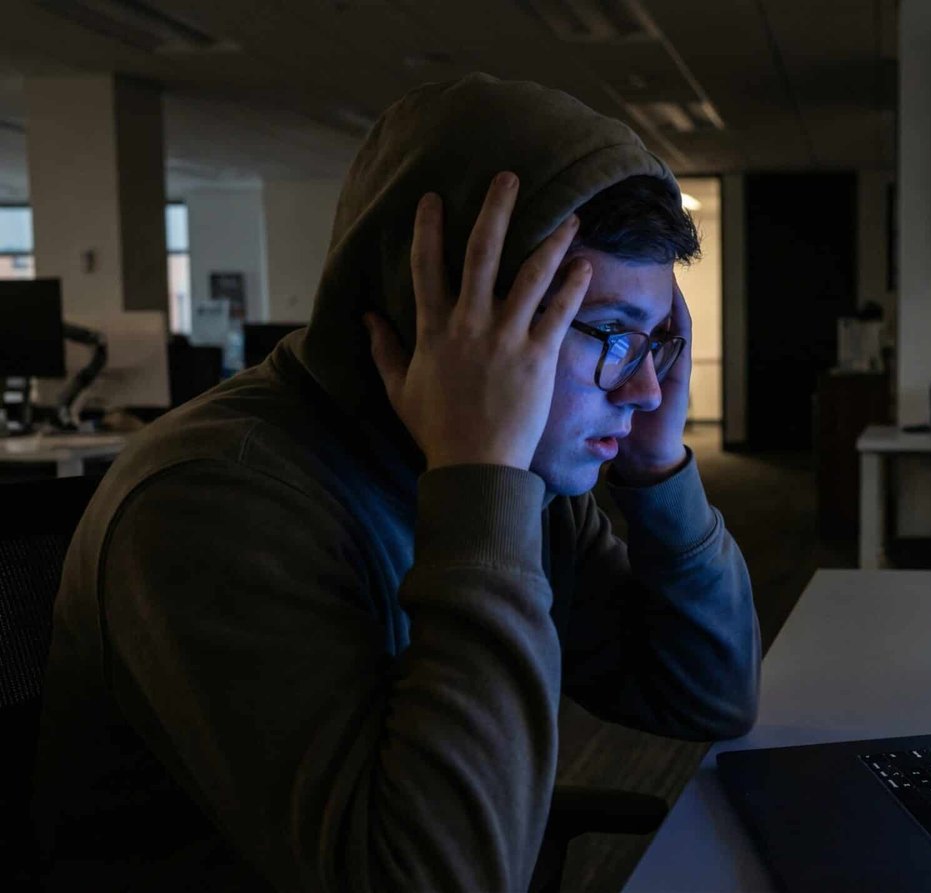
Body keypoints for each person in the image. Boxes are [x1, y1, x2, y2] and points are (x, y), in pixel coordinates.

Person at [30, 74, 760, 891]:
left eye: (655, 342)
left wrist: (657, 469)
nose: (647, 389)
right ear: (439, 308)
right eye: (615, 337)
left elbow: (706, 692)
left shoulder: (517, 481)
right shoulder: (207, 504)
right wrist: (479, 482)